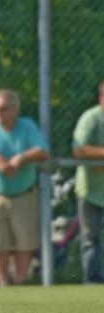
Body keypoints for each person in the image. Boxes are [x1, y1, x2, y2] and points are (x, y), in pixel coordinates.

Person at [0, 89, 49, 286]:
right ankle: (4, 283)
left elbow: (42, 151)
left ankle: (20, 282)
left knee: (26, 242)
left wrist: (20, 159)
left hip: (24, 193)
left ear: (15, 109)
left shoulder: (27, 126)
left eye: (3, 109)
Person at [71, 80, 104, 284]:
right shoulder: (91, 118)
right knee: (90, 239)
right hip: (91, 191)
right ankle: (91, 282)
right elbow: (78, 149)